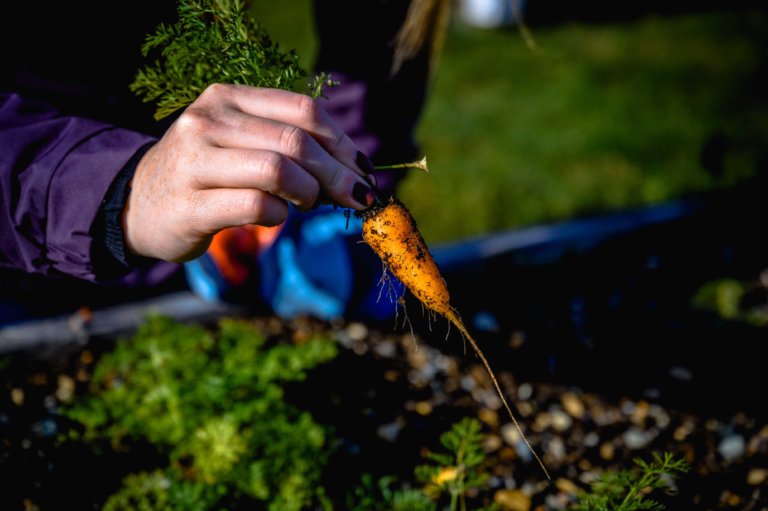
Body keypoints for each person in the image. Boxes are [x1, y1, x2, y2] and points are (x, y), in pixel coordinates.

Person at [0, 1, 444, 328]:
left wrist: (343, 185)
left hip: (195, 239)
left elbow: (375, 46)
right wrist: (120, 192)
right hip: (22, 252)